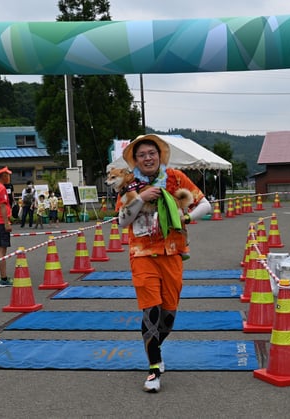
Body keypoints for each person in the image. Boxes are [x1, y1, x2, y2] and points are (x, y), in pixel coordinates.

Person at [116, 134, 211, 393]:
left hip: (172, 255)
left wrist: (187, 217)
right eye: (142, 155)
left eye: (152, 153)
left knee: (168, 317)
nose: (148, 158)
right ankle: (154, 368)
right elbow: (121, 222)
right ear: (135, 160)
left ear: (160, 156)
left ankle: (155, 347)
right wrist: (141, 197)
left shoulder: (176, 178)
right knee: (152, 311)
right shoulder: (129, 184)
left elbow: (205, 204)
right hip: (142, 255)